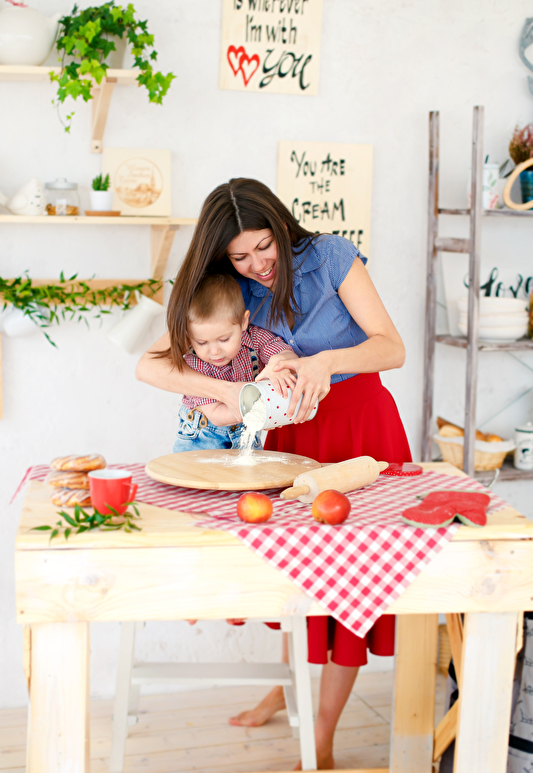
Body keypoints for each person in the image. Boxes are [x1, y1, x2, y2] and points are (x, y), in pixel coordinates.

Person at [137, 177, 412, 769]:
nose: (258, 265)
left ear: (282, 227)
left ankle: (322, 737)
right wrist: (228, 394)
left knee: (349, 587)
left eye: (265, 246)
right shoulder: (230, 289)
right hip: (287, 435)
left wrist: (325, 362)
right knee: (297, 577)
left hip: (358, 426)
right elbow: (152, 365)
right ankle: (289, 691)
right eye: (240, 256)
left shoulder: (331, 256)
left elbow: (392, 347)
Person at [171, 272, 298, 453]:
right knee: (195, 473)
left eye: (224, 339)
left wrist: (280, 365)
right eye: (202, 342)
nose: (214, 351)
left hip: (246, 435)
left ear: (243, 321)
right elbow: (216, 415)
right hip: (201, 441)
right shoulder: (193, 363)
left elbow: (284, 353)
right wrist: (261, 410)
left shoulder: (256, 339)